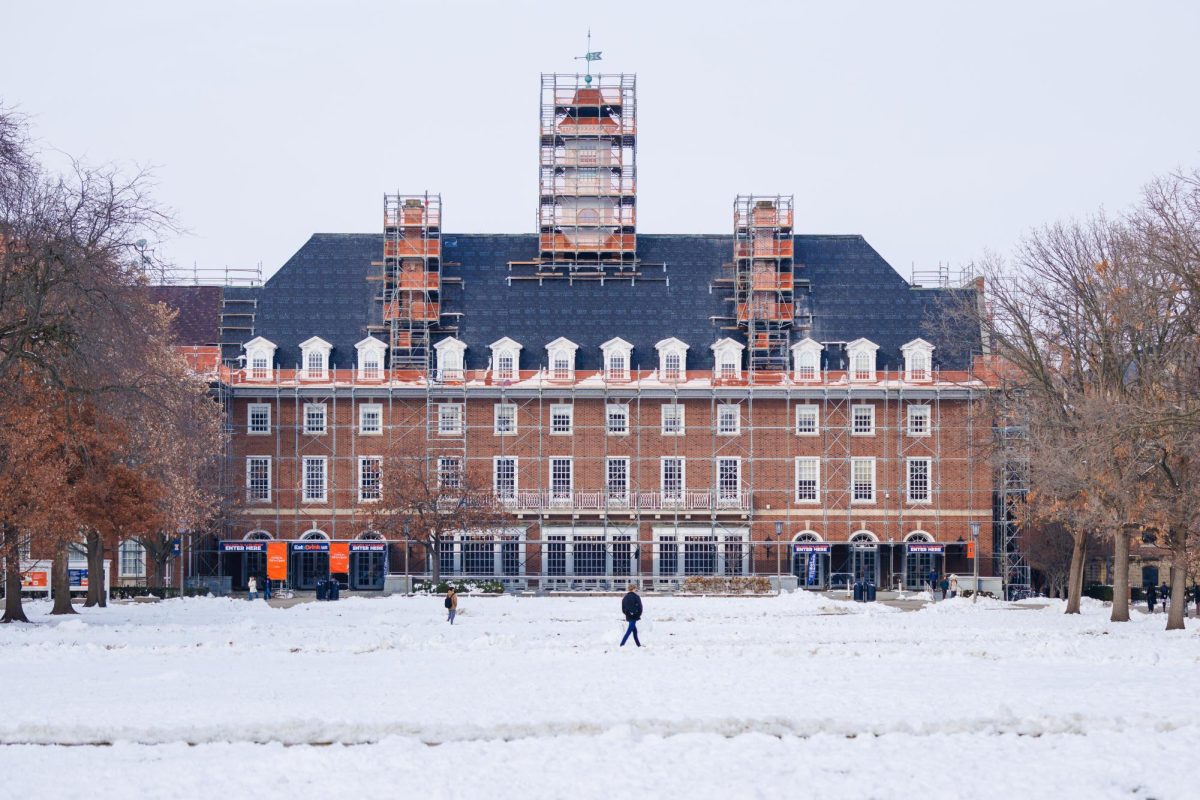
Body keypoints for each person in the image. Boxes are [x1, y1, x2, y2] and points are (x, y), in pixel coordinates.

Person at [620, 583, 643, 648]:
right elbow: (640, 607)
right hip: (635, 616)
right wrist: (638, 614)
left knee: (634, 631)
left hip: (628, 616)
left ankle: (638, 645)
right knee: (629, 631)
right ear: (633, 589)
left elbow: (623, 608)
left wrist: (627, 613)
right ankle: (622, 644)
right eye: (635, 588)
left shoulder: (625, 597)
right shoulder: (636, 597)